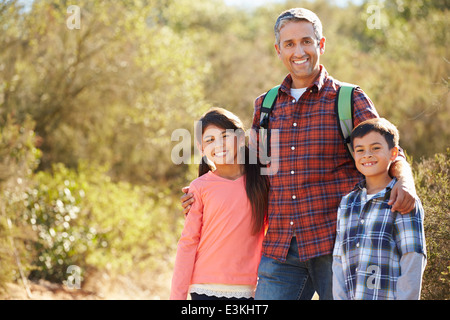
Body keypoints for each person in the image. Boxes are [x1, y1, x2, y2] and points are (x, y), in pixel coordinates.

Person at [180, 8, 417, 300]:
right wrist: (203, 190)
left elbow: (388, 152)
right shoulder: (264, 105)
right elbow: (249, 167)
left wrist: (406, 182)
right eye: (290, 44)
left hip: (337, 245)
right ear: (278, 50)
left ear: (321, 44)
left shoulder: (348, 98)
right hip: (280, 249)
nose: (299, 51)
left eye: (306, 41)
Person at [170, 108, 269, 300]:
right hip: (205, 288)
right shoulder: (199, 188)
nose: (219, 145)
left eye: (225, 136)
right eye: (210, 140)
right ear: (201, 148)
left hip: (250, 289)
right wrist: (177, 297)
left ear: (241, 138)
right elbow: (188, 244)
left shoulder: (261, 183)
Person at [332, 118, 426, 300]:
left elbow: (412, 259)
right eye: (360, 150)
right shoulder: (347, 203)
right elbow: (338, 261)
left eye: (375, 148)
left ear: (393, 153)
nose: (367, 155)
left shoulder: (402, 200)